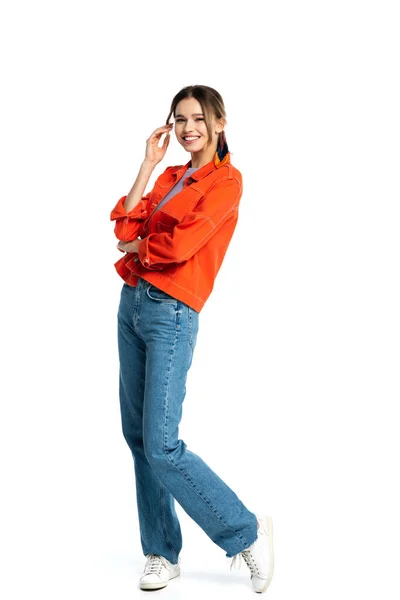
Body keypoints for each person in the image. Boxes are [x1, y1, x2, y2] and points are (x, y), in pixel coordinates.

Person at [110, 85, 274, 593]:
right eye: (179, 119)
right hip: (133, 305)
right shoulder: (171, 175)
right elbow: (122, 219)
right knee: (139, 439)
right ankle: (162, 550)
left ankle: (246, 531)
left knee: (162, 444)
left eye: (198, 119)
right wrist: (146, 163)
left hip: (172, 314)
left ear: (220, 122)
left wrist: (137, 243)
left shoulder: (227, 182)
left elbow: (180, 244)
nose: (187, 129)